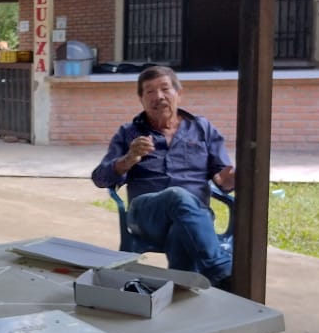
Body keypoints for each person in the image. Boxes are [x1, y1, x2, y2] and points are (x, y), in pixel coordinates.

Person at [91, 65, 234, 287]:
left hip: (195, 216)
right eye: (149, 91)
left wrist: (242, 172)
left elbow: (225, 181)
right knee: (177, 196)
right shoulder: (129, 133)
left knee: (182, 229)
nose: (158, 96)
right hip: (146, 216)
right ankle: (221, 272)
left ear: (179, 93)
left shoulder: (202, 129)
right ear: (141, 99)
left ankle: (185, 289)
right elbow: (100, 178)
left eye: (165, 89)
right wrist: (129, 158)